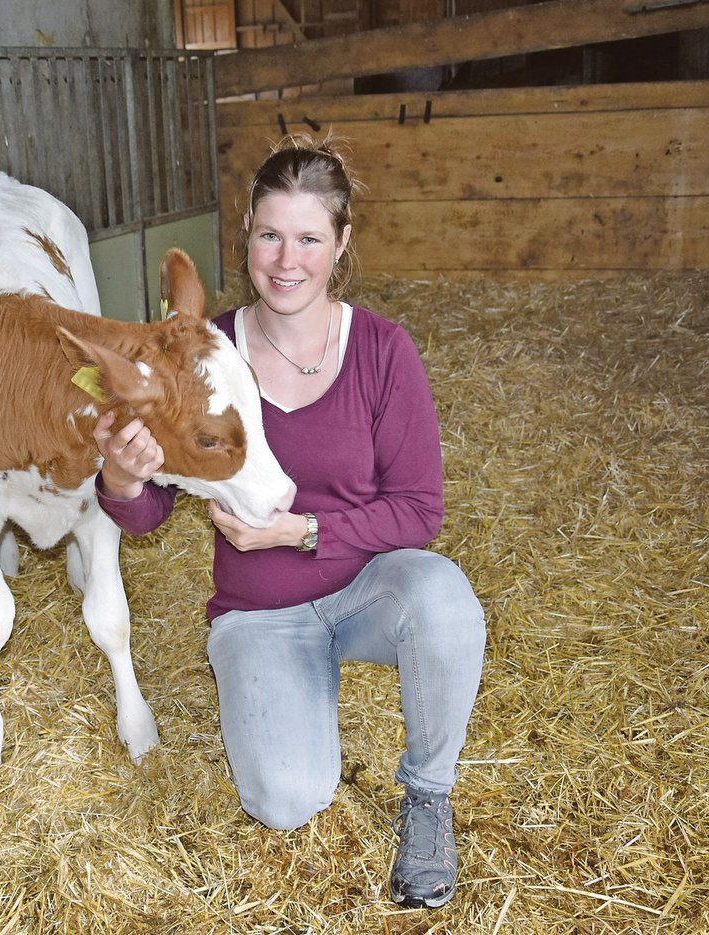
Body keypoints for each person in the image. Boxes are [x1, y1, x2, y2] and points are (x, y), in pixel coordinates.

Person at [91, 135, 486, 910]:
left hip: (371, 588)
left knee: (443, 600)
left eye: (309, 238)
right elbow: (147, 516)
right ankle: (295, 693)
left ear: (341, 245)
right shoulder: (207, 351)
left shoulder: (382, 350)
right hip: (260, 612)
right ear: (246, 232)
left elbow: (420, 510)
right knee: (285, 800)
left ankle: (430, 797)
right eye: (271, 234)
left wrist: (304, 532)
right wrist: (121, 473)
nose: (286, 259)